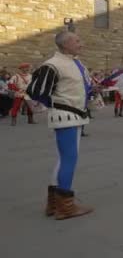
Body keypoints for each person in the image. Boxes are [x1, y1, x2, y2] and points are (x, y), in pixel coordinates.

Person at [26, 31, 94, 220]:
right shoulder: (53, 64)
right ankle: (65, 207)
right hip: (66, 117)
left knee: (64, 159)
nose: (81, 43)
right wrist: (58, 104)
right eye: (77, 40)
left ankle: (55, 204)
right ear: (66, 44)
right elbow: (36, 91)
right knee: (69, 159)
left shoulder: (74, 62)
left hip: (74, 115)